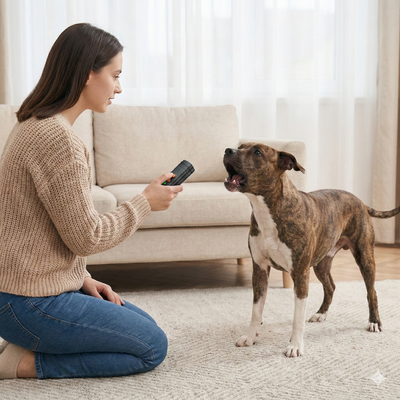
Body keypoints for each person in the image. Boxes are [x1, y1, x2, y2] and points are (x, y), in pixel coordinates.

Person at [0, 23, 183, 379]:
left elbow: (40, 229)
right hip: (27, 303)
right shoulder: (57, 141)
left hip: (22, 293)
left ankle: (31, 340)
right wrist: (144, 202)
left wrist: (81, 278)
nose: (118, 87)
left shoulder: (35, 123)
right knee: (151, 347)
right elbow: (88, 237)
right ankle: (19, 363)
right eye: (115, 75)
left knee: (140, 324)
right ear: (87, 74)